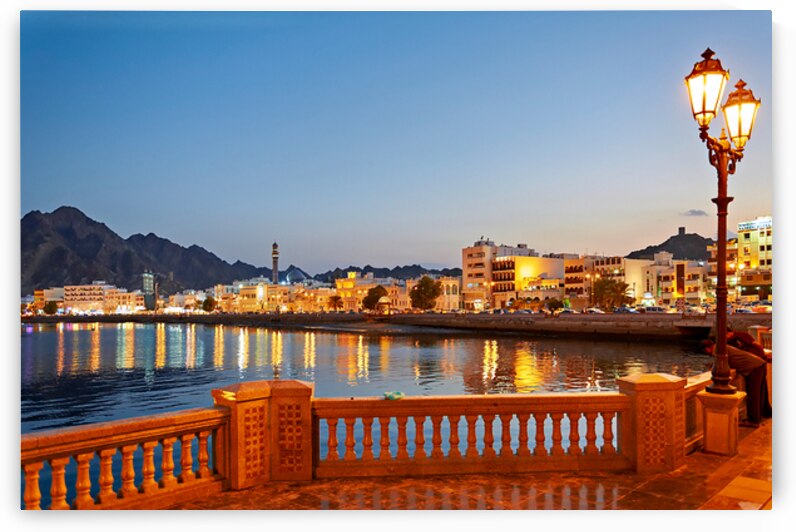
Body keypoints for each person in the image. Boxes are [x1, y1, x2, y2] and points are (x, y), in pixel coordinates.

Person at [701, 333, 772, 427]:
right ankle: (762, 414)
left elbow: (721, 365)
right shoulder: (723, 346)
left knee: (753, 395)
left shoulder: (718, 350)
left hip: (753, 368)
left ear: (707, 349)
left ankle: (753, 420)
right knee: (760, 393)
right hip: (759, 364)